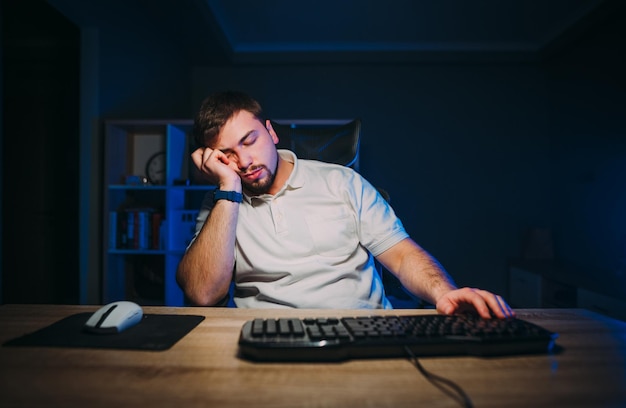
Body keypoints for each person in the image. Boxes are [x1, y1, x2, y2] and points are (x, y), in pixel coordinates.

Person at [176, 91, 514, 318]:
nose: (245, 160)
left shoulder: (343, 182)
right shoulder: (222, 203)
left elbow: (400, 254)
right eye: (228, 155)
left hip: (363, 326)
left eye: (250, 141)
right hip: (267, 334)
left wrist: (444, 293)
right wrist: (229, 188)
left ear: (272, 133)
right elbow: (202, 295)